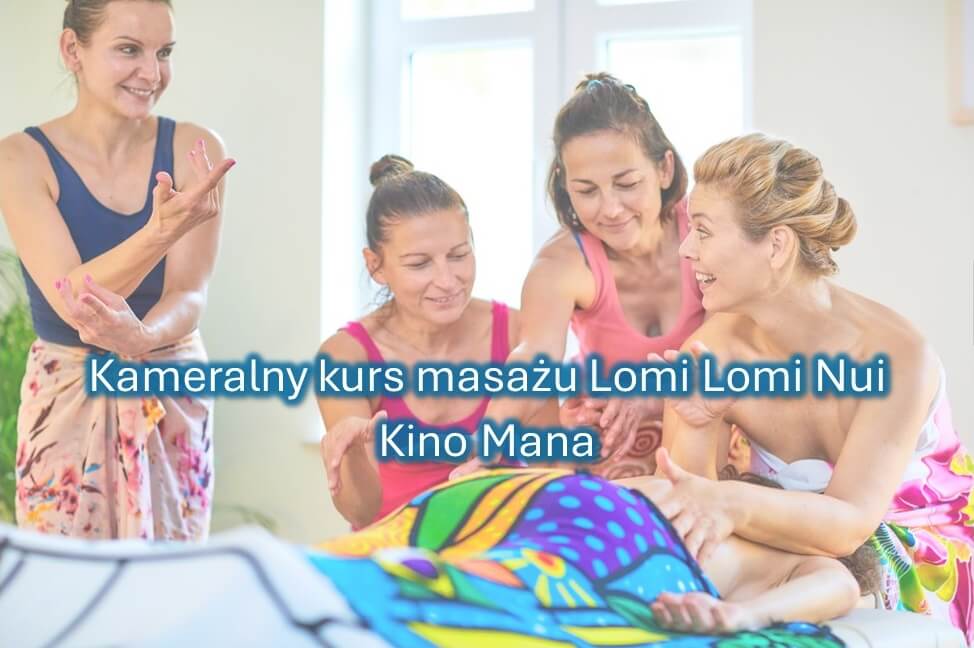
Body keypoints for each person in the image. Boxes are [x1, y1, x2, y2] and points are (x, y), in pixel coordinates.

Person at [653, 133, 974, 641]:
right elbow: (689, 508)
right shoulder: (712, 350)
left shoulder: (895, 357)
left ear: (776, 245)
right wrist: (698, 420)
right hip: (783, 535)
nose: (686, 249)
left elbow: (850, 525)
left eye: (704, 231)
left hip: (913, 551)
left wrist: (732, 504)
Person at [0, 467, 862, 646]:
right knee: (491, 600)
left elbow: (838, 582)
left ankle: (174, 591)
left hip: (508, 493)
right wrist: (744, 614)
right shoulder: (772, 538)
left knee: (351, 556)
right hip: (613, 531)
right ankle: (249, 592)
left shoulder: (716, 497)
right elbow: (835, 586)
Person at [0, 0, 234, 539]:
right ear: (72, 50)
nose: (152, 73)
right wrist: (160, 232)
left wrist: (143, 337)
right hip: (66, 395)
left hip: (170, 386)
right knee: (65, 579)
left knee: (171, 577)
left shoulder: (195, 149)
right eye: (129, 50)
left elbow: (189, 293)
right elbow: (72, 300)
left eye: (164, 53)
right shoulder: (20, 159)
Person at [451, 73, 704, 482]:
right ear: (566, 187)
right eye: (587, 191)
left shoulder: (705, 231)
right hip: (611, 443)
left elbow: (744, 342)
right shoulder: (561, 264)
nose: (611, 209)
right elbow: (534, 356)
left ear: (663, 168)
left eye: (627, 184)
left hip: (705, 430)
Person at [316, 155, 557, 530]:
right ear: (375, 265)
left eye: (459, 255)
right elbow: (360, 513)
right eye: (419, 264)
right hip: (396, 548)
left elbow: (553, 471)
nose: (447, 281)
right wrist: (353, 453)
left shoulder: (519, 336)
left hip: (499, 542)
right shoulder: (346, 357)